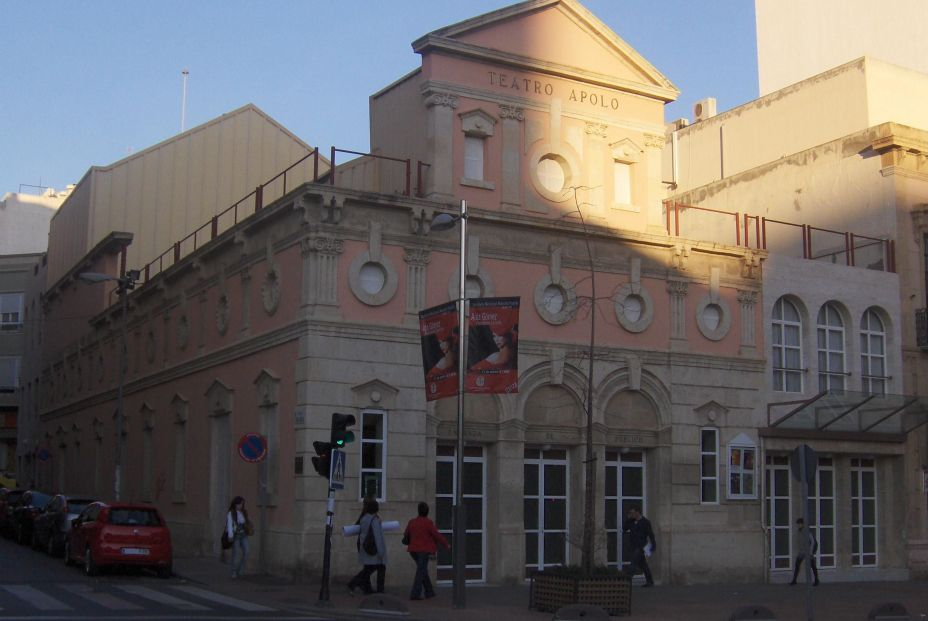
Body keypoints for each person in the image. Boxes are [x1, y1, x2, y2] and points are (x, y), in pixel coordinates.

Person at [403, 501, 450, 601]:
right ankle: (415, 594)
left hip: (413, 550)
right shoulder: (428, 523)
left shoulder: (412, 522)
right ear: (427, 512)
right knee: (421, 571)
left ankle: (429, 591)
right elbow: (437, 535)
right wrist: (446, 545)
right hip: (423, 551)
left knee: (422, 570)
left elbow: (406, 533)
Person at [347, 499, 387, 594]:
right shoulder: (375, 520)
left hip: (365, 547)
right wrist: (381, 552)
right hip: (374, 550)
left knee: (368, 569)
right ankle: (379, 590)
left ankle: (365, 587)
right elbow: (377, 537)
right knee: (380, 568)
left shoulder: (364, 518)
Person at [623, 506, 656, 587]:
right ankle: (650, 581)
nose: (631, 514)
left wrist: (653, 545)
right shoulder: (632, 521)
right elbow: (625, 529)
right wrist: (628, 519)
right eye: (630, 513)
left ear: (638, 512)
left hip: (641, 546)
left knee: (633, 563)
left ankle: (627, 581)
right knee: (643, 565)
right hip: (633, 546)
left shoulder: (645, 522)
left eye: (633, 513)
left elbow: (651, 534)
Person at [226, 496, 251, 578]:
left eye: (242, 504)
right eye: (239, 504)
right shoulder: (231, 513)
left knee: (247, 552)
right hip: (236, 535)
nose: (241, 506)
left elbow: (246, 521)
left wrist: (249, 522)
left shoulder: (243, 512)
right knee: (235, 554)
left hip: (243, 534)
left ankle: (241, 569)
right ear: (235, 504)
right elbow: (229, 524)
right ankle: (233, 571)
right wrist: (230, 535)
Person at [789, 517, 820, 586]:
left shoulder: (807, 531)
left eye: (799, 524)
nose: (798, 525)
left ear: (802, 524)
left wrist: (811, 552)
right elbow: (800, 541)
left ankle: (816, 579)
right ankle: (794, 580)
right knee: (797, 565)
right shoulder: (799, 531)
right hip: (802, 552)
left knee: (812, 565)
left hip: (808, 552)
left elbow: (812, 542)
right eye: (798, 524)